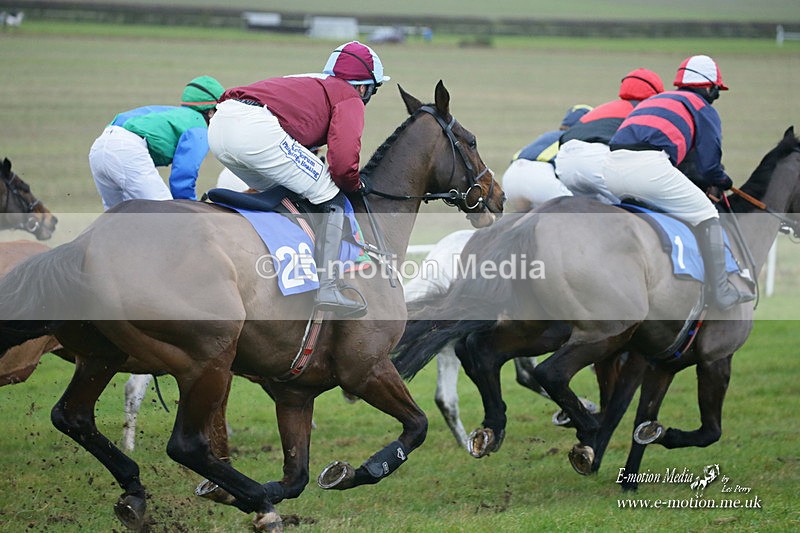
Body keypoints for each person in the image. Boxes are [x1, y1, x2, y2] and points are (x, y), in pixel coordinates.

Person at [207, 41, 390, 318]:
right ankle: (327, 287)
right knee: (330, 195)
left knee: (286, 194)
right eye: (373, 90)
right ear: (364, 87)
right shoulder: (349, 95)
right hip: (254, 130)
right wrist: (355, 184)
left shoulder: (313, 81)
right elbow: (342, 165)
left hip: (219, 127)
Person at [603, 55, 754, 311]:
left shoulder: (657, 100)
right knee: (706, 213)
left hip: (610, 170)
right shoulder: (703, 108)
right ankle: (721, 290)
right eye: (716, 90)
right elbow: (709, 167)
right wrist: (724, 180)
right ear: (710, 88)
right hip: (648, 168)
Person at [89, 75, 224, 210]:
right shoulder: (199, 126)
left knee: (118, 217)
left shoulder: (172, 113)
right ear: (211, 112)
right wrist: (190, 208)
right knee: (165, 214)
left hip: (99, 147)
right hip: (127, 149)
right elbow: (183, 175)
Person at [555, 68, 664, 204]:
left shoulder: (603, 107)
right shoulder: (647, 111)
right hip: (597, 160)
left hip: (564, 162)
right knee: (649, 204)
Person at [501, 104, 593, 212]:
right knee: (581, 213)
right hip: (540, 178)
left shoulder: (547, 136)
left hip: (510, 178)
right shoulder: (578, 140)